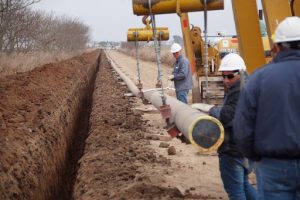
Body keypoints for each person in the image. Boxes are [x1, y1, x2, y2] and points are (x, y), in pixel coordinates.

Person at [233, 16, 300, 200]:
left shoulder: (259, 78)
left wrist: (256, 158)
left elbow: (242, 128)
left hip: (274, 166)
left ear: (276, 47)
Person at [208, 53, 258, 200]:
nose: (225, 80)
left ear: (240, 72)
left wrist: (212, 111)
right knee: (244, 185)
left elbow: (226, 116)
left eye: (229, 76)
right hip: (245, 149)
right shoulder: (250, 85)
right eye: (223, 76)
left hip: (233, 150)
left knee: (235, 192)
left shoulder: (239, 91)